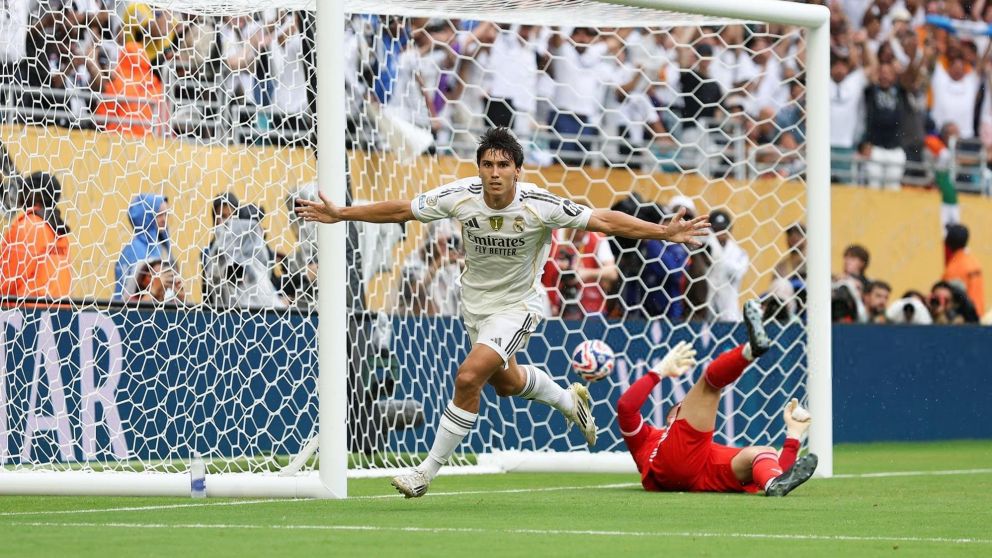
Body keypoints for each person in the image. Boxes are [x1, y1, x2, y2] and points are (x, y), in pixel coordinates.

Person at [296, 127, 710, 498]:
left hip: (519, 306)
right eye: (487, 164)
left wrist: (663, 231)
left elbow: (601, 219)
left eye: (503, 165)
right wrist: (340, 215)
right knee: (507, 382)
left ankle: (425, 472)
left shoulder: (539, 205)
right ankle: (569, 402)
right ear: (479, 169)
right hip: (474, 304)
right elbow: (402, 209)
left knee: (468, 376)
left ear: (518, 171)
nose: (494, 172)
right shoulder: (459, 196)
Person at [615, 300, 818, 496]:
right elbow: (626, 407)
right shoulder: (648, 438)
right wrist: (659, 371)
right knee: (709, 385)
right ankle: (749, 350)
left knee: (763, 454)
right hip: (671, 466)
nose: (692, 407)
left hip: (696, 475)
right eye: (683, 406)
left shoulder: (697, 450)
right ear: (673, 417)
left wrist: (793, 434)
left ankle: (771, 485)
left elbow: (780, 470)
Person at [0, 172, 71, 299]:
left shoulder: (25, 227)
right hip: (61, 314)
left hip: (25, 313)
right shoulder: (61, 232)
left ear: (35, 195)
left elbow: (6, 280)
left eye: (25, 189)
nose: (21, 193)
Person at [114, 193, 172, 301]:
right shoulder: (132, 251)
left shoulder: (164, 248)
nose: (164, 220)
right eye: (159, 215)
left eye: (166, 215)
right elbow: (125, 294)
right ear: (146, 217)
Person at [704, 209, 749, 322]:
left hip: (729, 311)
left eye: (724, 229)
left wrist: (717, 255)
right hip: (706, 309)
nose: (720, 234)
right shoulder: (703, 251)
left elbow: (737, 273)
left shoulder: (739, 254)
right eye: (716, 230)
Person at [943, 223, 984, 315]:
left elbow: (948, 301)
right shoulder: (974, 261)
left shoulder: (953, 269)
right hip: (978, 316)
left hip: (965, 321)